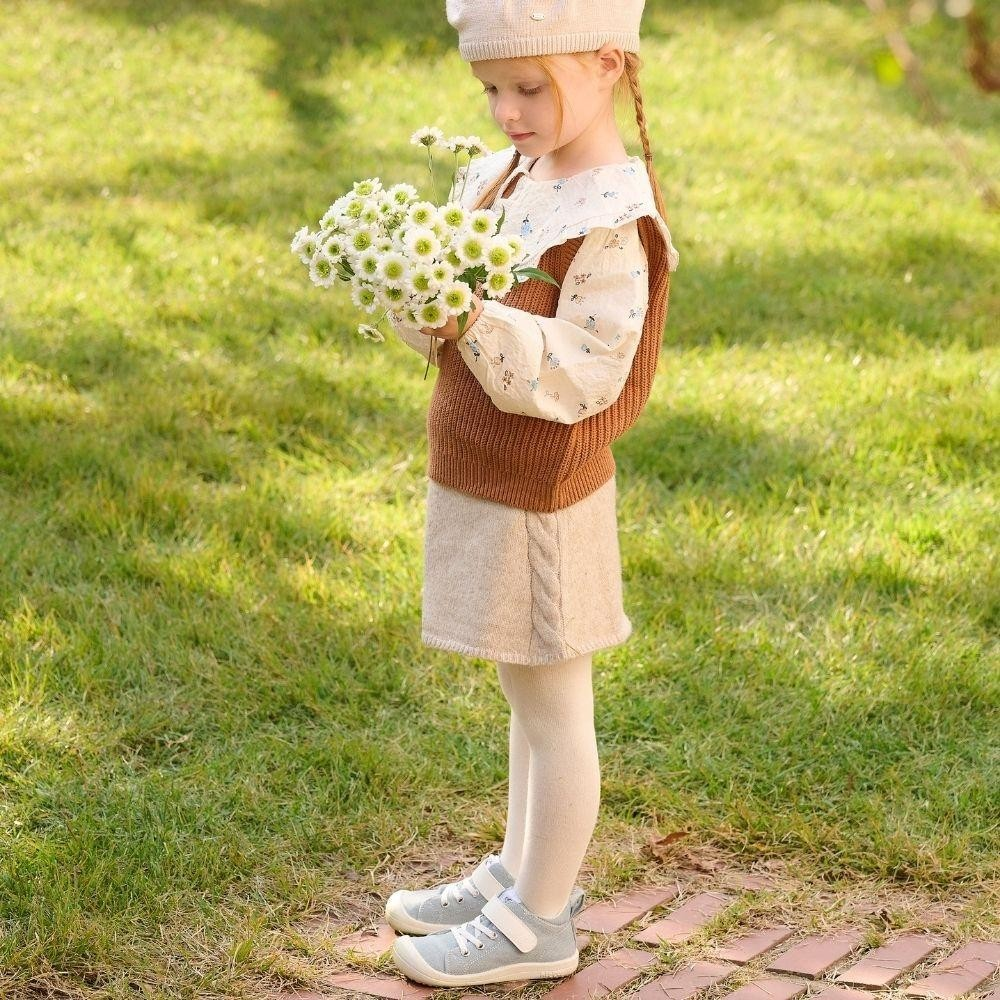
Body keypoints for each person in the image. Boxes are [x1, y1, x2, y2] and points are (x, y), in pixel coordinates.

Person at [384, 0, 680, 988]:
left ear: (606, 63)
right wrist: (421, 298)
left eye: (528, 87)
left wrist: (472, 318)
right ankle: (517, 871)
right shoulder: (507, 175)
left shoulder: (609, 220)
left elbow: (584, 369)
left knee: (554, 708)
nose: (507, 112)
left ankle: (538, 921)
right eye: (490, 89)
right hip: (488, 479)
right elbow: (448, 324)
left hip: (543, 501)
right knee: (524, 686)